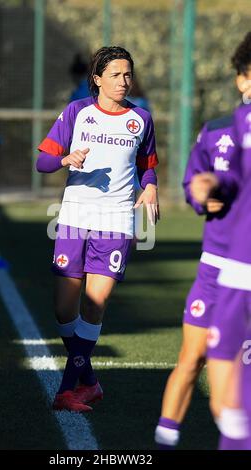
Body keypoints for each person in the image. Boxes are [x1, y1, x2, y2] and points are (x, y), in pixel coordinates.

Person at [36, 46, 159, 412]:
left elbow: (148, 165)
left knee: (95, 304)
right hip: (74, 218)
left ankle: (67, 390)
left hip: (116, 221)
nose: (124, 81)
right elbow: (43, 161)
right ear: (97, 79)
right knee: (63, 310)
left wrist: (150, 185)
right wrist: (64, 159)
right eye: (116, 74)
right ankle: (89, 380)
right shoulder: (77, 112)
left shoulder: (141, 120)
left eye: (127, 74)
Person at [154, 32, 251, 449]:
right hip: (216, 268)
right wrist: (203, 191)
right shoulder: (219, 129)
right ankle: (164, 440)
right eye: (244, 76)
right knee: (192, 359)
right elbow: (198, 180)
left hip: (242, 270)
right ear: (240, 78)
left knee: (232, 392)